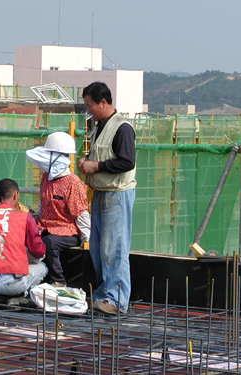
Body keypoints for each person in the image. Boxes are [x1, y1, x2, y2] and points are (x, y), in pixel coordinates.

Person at [77, 82, 136, 314]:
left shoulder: (122, 128)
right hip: (102, 192)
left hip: (117, 195)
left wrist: (96, 166)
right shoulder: (99, 126)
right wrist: (86, 162)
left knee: (115, 248)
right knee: (99, 247)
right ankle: (105, 294)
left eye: (90, 105)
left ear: (104, 102)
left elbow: (126, 161)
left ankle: (117, 299)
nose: (88, 110)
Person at [25, 132, 90, 288]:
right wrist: (35, 218)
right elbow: (42, 203)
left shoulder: (73, 183)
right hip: (45, 226)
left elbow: (81, 213)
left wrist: (86, 240)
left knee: (49, 243)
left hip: (66, 231)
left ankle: (58, 280)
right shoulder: (46, 178)